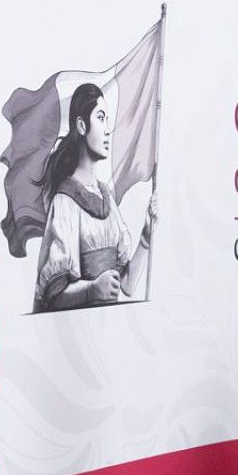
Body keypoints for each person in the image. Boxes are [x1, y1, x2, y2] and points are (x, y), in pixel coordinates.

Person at [33, 83, 155, 311]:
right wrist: (91, 289)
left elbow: (127, 285)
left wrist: (146, 237)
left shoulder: (105, 196)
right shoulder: (65, 202)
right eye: (101, 118)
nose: (108, 129)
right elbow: (54, 296)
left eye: (107, 119)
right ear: (81, 125)